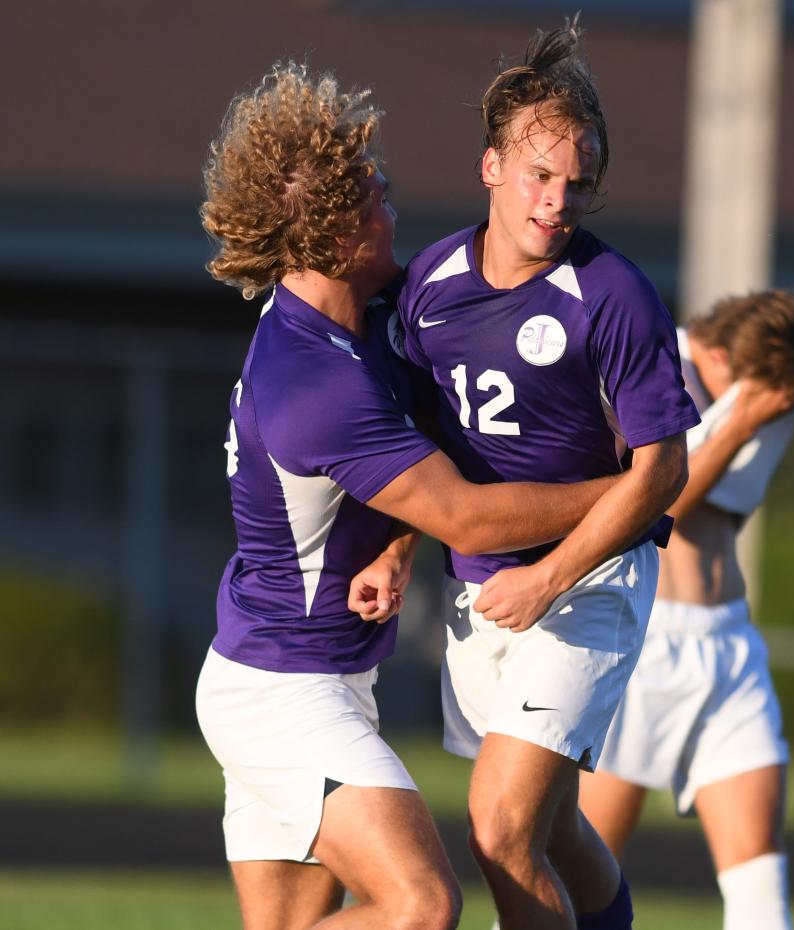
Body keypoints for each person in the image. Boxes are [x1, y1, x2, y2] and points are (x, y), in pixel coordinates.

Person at [194, 62, 630, 930]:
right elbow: (464, 511)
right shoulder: (312, 381)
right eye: (374, 200)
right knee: (420, 907)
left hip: (311, 674)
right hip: (282, 689)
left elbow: (435, 435)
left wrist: (393, 548)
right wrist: (629, 490)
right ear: (327, 236)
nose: (392, 208)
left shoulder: (367, 317)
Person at [364, 17, 700, 930]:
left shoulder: (615, 294)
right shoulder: (430, 282)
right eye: (539, 176)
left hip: (586, 583)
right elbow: (417, 444)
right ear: (491, 169)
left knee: (500, 829)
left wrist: (551, 575)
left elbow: (662, 470)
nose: (558, 201)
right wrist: (397, 548)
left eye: (577, 184)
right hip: (480, 595)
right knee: (551, 833)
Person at [579, 290, 794, 930]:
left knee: (760, 886)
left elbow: (729, 510)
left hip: (728, 645)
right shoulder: (648, 360)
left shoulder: (765, 388)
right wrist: (743, 416)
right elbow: (661, 504)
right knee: (575, 879)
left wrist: (762, 406)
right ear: (717, 352)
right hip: (640, 645)